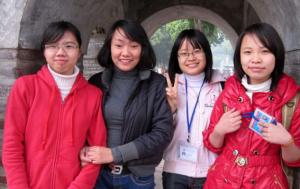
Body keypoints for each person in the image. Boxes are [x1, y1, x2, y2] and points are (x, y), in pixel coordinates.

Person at [2, 21, 107, 189]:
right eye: (52, 46)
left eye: (69, 46)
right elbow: (12, 145)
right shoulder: (25, 88)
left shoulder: (93, 95)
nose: (60, 52)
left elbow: (96, 152)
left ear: (80, 51)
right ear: (44, 51)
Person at [203, 23, 300, 189]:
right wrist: (219, 130)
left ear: (277, 55)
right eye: (248, 52)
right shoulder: (228, 92)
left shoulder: (291, 100)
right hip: (222, 180)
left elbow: (294, 160)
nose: (256, 59)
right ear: (239, 57)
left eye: (265, 51)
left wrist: (287, 142)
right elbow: (213, 144)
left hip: (268, 182)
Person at [80, 19, 174, 189]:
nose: (126, 52)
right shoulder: (96, 82)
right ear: (109, 47)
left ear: (142, 49)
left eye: (133, 46)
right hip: (98, 175)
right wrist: (83, 149)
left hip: (136, 179)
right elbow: (82, 126)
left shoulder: (156, 84)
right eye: (119, 45)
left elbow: (162, 133)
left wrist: (114, 154)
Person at [162, 29, 224, 189]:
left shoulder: (223, 86)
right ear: (177, 58)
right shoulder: (167, 87)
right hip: (175, 172)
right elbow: (157, 131)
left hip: (212, 170)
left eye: (197, 51)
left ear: (207, 54)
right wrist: (172, 109)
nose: (191, 58)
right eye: (184, 53)